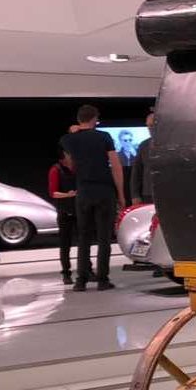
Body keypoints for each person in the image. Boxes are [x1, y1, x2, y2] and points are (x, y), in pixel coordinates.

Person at [60, 104, 124, 291]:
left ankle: (81, 280)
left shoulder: (67, 140)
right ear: (95, 118)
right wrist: (121, 194)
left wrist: (74, 131)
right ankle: (103, 280)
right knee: (104, 237)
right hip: (104, 191)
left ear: (79, 119)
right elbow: (116, 166)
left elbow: (70, 163)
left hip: (83, 191)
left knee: (83, 237)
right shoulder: (104, 137)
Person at [48, 149, 80, 285]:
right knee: (65, 244)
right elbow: (53, 193)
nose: (72, 157)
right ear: (63, 158)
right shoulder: (56, 170)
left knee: (83, 243)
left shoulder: (77, 168)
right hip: (65, 211)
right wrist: (68, 195)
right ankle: (66, 273)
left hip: (79, 210)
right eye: (69, 155)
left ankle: (86, 270)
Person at [130, 110, 155, 205]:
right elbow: (137, 172)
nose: (149, 129)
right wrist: (135, 195)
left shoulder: (172, 145)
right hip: (149, 194)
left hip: (169, 192)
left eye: (152, 126)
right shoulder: (144, 145)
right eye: (148, 126)